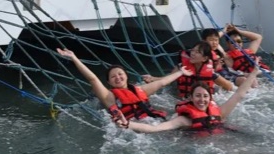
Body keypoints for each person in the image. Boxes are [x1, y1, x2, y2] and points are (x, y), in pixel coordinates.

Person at [56, 48, 192, 121]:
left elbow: (162, 82)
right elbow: (92, 79)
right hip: (134, 128)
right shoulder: (109, 97)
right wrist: (74, 58)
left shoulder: (140, 90)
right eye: (113, 76)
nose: (118, 77)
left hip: (155, 121)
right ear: (109, 82)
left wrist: (181, 72)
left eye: (120, 74)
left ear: (126, 76)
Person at [118, 67, 259, 134]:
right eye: (197, 96)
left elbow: (239, 94)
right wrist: (128, 125)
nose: (201, 100)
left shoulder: (219, 112)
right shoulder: (184, 120)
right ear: (191, 98)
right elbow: (156, 128)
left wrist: (253, 72)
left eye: (205, 96)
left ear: (210, 99)